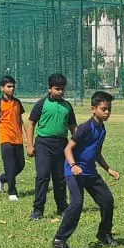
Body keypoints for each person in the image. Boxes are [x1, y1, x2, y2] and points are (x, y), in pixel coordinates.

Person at [52, 91, 122, 248]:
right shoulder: (84, 128)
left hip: (90, 172)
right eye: (104, 109)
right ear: (93, 109)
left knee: (107, 201)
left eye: (109, 109)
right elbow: (68, 149)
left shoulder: (102, 129)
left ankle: (104, 234)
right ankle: (59, 240)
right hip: (74, 172)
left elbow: (96, 153)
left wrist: (108, 169)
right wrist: (74, 165)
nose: (107, 113)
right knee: (76, 204)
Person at [26, 74, 76, 221]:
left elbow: (73, 127)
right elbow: (31, 123)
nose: (60, 92)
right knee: (42, 176)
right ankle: (38, 210)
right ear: (49, 89)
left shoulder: (67, 106)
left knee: (60, 178)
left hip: (61, 145)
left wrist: (76, 145)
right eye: (57, 89)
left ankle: (62, 207)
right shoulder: (41, 104)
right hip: (43, 144)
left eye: (62, 89)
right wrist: (29, 145)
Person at [0, 75, 25, 202]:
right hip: (6, 139)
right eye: (9, 86)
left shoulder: (17, 103)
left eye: (13, 87)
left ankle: (2, 178)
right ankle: (12, 192)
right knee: (10, 165)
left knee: (21, 165)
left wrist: (26, 138)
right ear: (2, 88)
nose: (11, 89)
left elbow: (21, 121)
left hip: (18, 139)